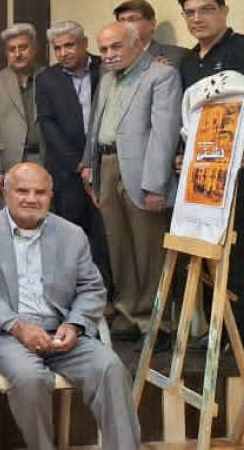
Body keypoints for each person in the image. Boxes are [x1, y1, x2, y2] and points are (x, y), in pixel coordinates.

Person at [0, 162, 139, 450]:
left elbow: (92, 288)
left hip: (61, 333)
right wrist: (17, 326)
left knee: (110, 367)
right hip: (5, 334)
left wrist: (75, 324)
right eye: (22, 191)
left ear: (51, 196)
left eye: (40, 192)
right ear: (5, 193)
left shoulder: (72, 234)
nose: (31, 199)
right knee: (30, 378)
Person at [177, 0, 244, 352]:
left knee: (240, 245)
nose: (197, 18)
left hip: (242, 167)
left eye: (206, 9)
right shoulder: (188, 61)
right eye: (190, 12)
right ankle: (214, 327)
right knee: (205, 245)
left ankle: (241, 334)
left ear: (224, 11)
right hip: (201, 171)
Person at [81, 22, 181, 336]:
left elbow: (164, 134)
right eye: (103, 49)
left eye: (116, 46)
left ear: (137, 44)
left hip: (142, 173)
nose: (109, 55)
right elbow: (95, 128)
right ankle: (127, 311)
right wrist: (91, 170)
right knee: (119, 246)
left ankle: (155, 321)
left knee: (148, 249)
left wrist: (155, 184)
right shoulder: (107, 79)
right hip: (107, 166)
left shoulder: (162, 75)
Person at [35, 21, 113, 290]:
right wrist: (79, 164)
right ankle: (76, 289)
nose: (63, 53)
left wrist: (92, 163)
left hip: (105, 163)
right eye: (57, 48)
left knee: (106, 233)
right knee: (72, 233)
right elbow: (48, 124)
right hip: (66, 170)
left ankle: (107, 292)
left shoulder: (105, 69)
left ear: (84, 44)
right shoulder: (47, 78)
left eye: (69, 45)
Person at [0, 23, 43, 207]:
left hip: (43, 159)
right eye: (12, 49)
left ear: (34, 49)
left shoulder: (48, 77)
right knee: (10, 213)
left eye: (23, 47)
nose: (17, 54)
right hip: (8, 162)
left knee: (43, 211)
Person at [113, 0, 189, 66]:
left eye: (132, 19)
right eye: (122, 21)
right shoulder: (111, 59)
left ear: (152, 23)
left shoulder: (179, 56)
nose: (126, 25)